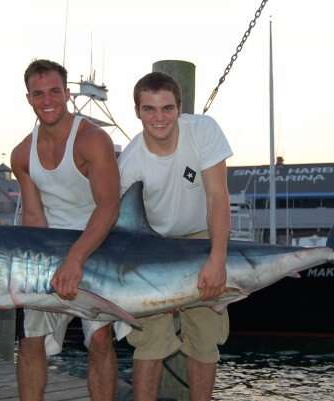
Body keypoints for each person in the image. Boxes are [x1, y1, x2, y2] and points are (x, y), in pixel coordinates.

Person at [10, 59, 122, 401]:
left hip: (96, 245)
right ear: (28, 97)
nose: (47, 100)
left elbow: (109, 207)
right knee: (30, 342)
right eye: (38, 93)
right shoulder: (22, 154)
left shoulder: (93, 140)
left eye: (55, 91)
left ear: (68, 94)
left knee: (100, 340)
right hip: (50, 251)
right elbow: (33, 216)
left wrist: (75, 259)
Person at [118, 71, 233, 401]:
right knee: (150, 340)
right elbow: (124, 229)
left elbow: (217, 197)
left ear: (180, 109)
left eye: (167, 108)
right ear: (137, 111)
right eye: (149, 109)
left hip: (201, 238)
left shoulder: (204, 131)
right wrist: (162, 289)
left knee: (204, 337)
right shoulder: (130, 164)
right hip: (152, 247)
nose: (159, 118)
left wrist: (218, 259)